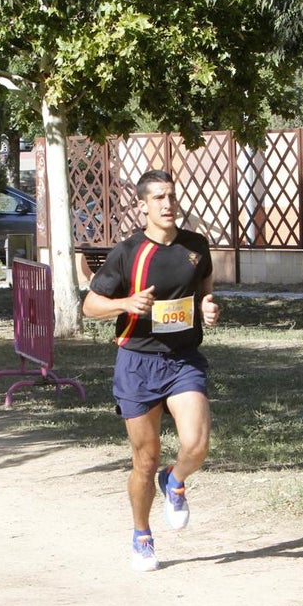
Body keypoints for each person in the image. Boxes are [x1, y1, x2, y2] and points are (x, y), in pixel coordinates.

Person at [82, 169, 220, 572]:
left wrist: (209, 308)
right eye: (158, 198)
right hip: (137, 363)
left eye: (172, 196)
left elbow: (206, 290)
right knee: (145, 458)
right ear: (143, 205)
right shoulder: (128, 253)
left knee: (196, 444)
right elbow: (90, 306)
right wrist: (125, 304)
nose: (167, 204)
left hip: (183, 360)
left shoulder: (196, 246)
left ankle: (174, 482)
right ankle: (141, 534)